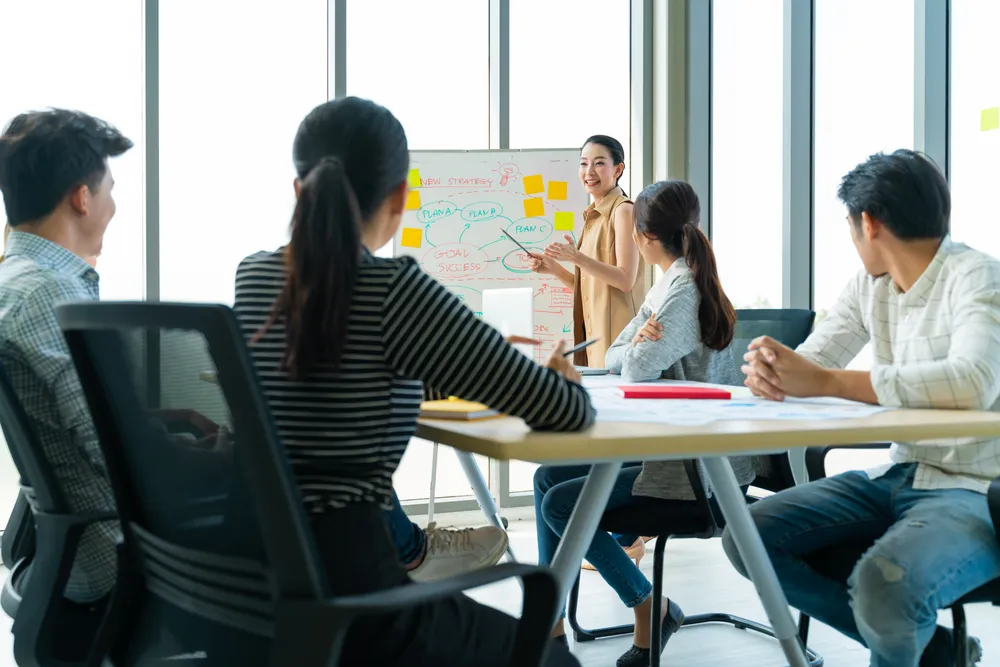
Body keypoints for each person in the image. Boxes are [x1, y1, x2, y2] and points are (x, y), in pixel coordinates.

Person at [232, 96, 594, 667]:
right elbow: (565, 412)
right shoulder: (393, 288)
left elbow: (329, 382)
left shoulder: (253, 276)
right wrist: (560, 375)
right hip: (364, 598)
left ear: (299, 190)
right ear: (400, 198)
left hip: (257, 586)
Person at [724, 149, 1000, 667]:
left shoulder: (978, 277)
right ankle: (935, 648)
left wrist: (826, 381)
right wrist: (773, 370)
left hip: (974, 487)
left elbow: (973, 382)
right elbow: (813, 363)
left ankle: (904, 635)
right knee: (747, 536)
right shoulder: (869, 286)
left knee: (883, 585)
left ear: (867, 224)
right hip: (900, 471)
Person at [534, 180, 755, 667]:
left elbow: (631, 365)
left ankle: (648, 606)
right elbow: (616, 352)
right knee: (548, 476)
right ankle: (549, 622)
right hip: (674, 449)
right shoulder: (668, 283)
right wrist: (634, 348)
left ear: (642, 238)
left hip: (696, 472)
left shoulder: (682, 293)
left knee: (560, 501)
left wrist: (634, 349)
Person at [0, 109, 132, 610]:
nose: (113, 206)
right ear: (82, 197)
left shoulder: (13, 281)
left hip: (68, 551)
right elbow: (114, 450)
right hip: (113, 556)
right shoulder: (50, 295)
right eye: (109, 190)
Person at [528, 135, 645, 370]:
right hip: (594, 340)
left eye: (599, 163)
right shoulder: (592, 216)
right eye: (583, 163)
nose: (589, 171)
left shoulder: (623, 211)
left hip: (618, 341)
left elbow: (625, 280)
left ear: (618, 169)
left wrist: (576, 257)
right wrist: (555, 269)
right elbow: (591, 288)